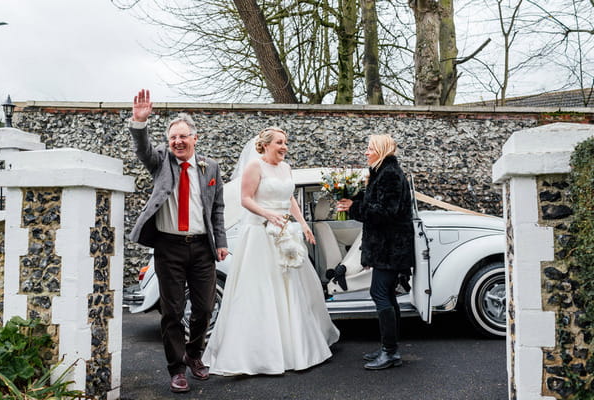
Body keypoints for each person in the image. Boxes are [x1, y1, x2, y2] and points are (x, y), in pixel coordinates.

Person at [202, 126, 340, 375]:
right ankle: (261, 353)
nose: (284, 146)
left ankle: (295, 349)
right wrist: (268, 215)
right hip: (259, 235)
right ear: (265, 145)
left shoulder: (286, 168)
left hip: (285, 232)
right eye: (279, 142)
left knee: (290, 289)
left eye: (285, 142)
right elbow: (246, 199)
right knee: (262, 290)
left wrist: (305, 225)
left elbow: (290, 199)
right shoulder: (254, 167)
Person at [128, 89, 228, 393]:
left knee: (205, 308)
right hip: (168, 247)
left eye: (183, 137)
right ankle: (177, 369)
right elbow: (144, 151)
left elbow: (217, 208)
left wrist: (220, 241)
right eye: (173, 138)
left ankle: (194, 354)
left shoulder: (210, 168)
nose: (178, 142)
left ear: (195, 138)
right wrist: (139, 122)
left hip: (201, 247)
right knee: (171, 311)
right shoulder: (162, 162)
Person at [336, 134, 414, 370]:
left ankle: (390, 352)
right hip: (389, 247)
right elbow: (374, 202)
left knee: (380, 293)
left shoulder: (389, 174)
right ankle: (389, 349)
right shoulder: (381, 173)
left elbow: (385, 212)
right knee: (387, 295)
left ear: (381, 150)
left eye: (369, 148)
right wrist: (352, 200)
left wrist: (354, 207)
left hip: (390, 248)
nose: (366, 152)